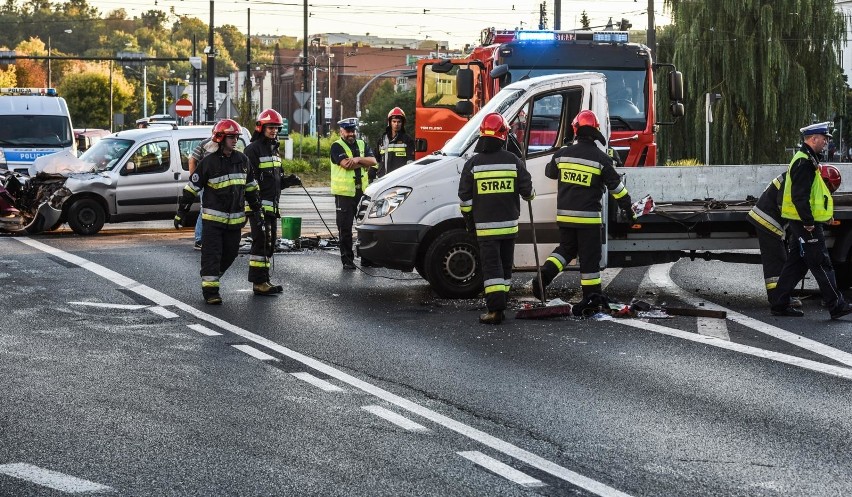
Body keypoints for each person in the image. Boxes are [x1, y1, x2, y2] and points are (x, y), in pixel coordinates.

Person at [531, 110, 634, 300]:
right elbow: (616, 188)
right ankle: (592, 296)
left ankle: (543, 276)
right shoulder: (601, 159)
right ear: (595, 131)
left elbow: (550, 172)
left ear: (576, 130)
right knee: (589, 258)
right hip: (588, 219)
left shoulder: (563, 155)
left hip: (565, 217)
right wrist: (628, 209)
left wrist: (563, 152)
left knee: (566, 249)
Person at [174, 119, 261, 305]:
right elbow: (191, 188)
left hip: (235, 222)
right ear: (220, 138)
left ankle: (211, 276)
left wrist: (257, 210)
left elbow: (251, 188)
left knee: (230, 254)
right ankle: (211, 291)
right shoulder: (208, 163)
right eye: (231, 137)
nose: (235, 140)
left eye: (236, 137)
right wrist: (181, 212)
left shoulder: (242, 160)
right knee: (211, 255)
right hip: (213, 222)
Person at [770, 122, 852, 319]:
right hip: (805, 223)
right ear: (813, 138)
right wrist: (808, 221)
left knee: (796, 264)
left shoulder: (807, 159)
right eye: (824, 139)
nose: (826, 142)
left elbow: (815, 194)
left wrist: (824, 214)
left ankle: (779, 304)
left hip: (803, 221)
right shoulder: (804, 162)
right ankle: (836, 305)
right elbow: (800, 196)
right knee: (821, 263)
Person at [459, 113, 534, 324]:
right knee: (505, 265)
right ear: (503, 135)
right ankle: (502, 301)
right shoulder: (514, 161)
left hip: (485, 228)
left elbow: (465, 200)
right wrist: (530, 195)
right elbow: (527, 191)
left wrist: (469, 222)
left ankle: (495, 310)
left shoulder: (473, 164)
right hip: (509, 227)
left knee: (492, 268)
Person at [244, 108, 301, 296]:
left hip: (272, 207)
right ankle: (258, 282)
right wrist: (256, 207)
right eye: (270, 127)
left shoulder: (275, 150)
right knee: (260, 242)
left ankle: (264, 279)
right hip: (258, 207)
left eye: (276, 128)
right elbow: (249, 182)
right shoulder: (252, 150)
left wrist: (289, 181)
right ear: (261, 127)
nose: (274, 131)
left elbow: (275, 182)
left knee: (269, 244)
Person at [330, 119, 377, 269]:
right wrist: (365, 162)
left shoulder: (362, 144)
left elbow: (374, 161)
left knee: (366, 227)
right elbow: (346, 165)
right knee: (345, 229)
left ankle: (367, 259)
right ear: (341, 131)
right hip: (344, 194)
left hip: (362, 192)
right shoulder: (337, 146)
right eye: (347, 130)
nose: (351, 133)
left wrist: (357, 159)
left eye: (352, 130)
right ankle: (348, 261)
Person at [187, 134, 217, 250]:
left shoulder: (226, 145)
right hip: (206, 183)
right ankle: (199, 239)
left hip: (220, 184)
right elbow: (192, 160)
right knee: (205, 209)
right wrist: (195, 179)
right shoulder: (205, 144)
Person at [371, 107, 414, 181]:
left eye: (399, 122)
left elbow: (410, 162)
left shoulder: (407, 140)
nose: (396, 124)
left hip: (399, 179)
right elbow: (376, 160)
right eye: (394, 121)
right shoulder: (382, 140)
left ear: (402, 123)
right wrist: (371, 173)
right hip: (382, 179)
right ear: (390, 123)